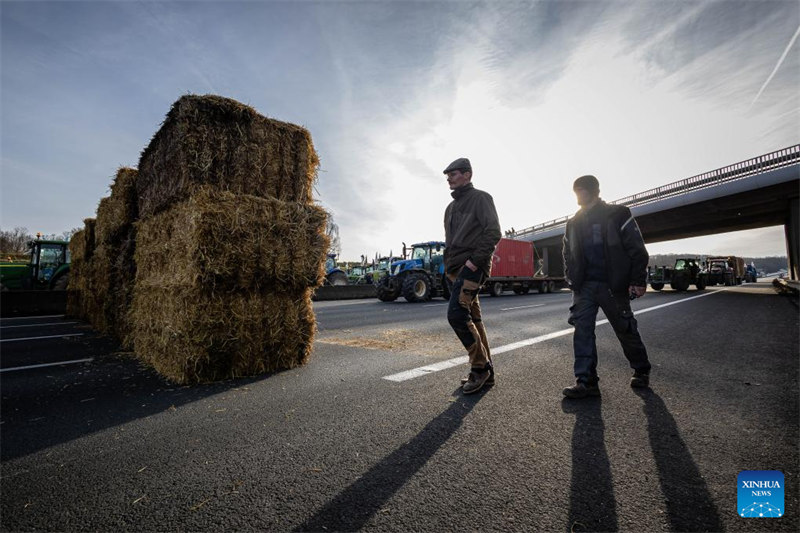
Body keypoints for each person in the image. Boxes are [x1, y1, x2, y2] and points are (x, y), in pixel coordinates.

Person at [562, 175, 651, 399]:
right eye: (575, 190)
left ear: (594, 191)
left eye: (581, 189)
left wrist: (638, 280)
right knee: (582, 331)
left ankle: (641, 370)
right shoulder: (573, 222)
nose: (578, 194)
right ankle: (586, 382)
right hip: (584, 287)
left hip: (613, 285)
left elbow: (636, 248)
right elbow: (567, 253)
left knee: (625, 329)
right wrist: (571, 278)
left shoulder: (618, 214)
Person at [442, 158, 502, 394]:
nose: (449, 178)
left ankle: (479, 368)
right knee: (473, 319)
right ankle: (487, 373)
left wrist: (474, 262)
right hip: (454, 269)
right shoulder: (451, 207)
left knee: (456, 315)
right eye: (447, 175)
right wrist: (449, 267)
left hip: (471, 268)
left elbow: (493, 231)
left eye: (453, 174)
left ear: (467, 175)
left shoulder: (481, 198)